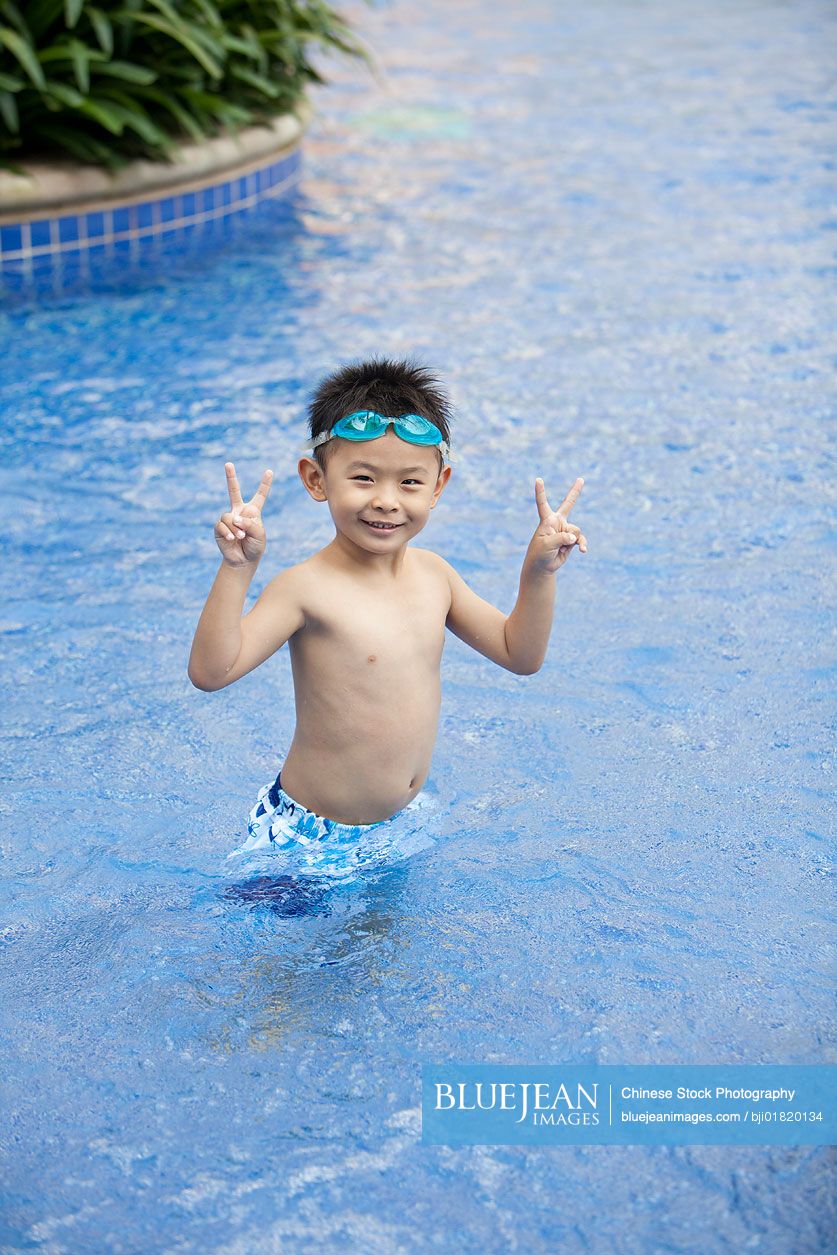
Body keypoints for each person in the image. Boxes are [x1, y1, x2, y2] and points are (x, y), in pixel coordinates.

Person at [188, 357, 587, 874]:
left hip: (405, 822)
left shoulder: (436, 577)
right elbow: (210, 673)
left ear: (438, 486)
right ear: (316, 479)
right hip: (311, 838)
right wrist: (237, 569)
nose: (386, 501)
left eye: (409, 483)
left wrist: (538, 574)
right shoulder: (304, 589)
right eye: (363, 477)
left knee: (380, 952)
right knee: (277, 957)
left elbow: (520, 654)